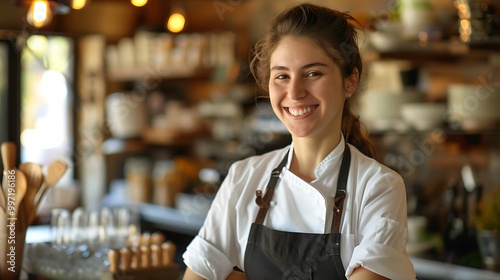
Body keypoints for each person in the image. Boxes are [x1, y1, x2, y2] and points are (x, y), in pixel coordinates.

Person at [182, 3, 416, 280]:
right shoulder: (243, 177)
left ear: (350, 81)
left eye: (313, 73)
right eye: (281, 76)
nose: (294, 93)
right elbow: (198, 274)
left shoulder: (378, 187)